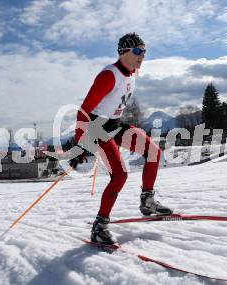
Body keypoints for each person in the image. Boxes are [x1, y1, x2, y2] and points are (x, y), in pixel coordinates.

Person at [71, 33, 173, 245]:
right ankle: (99, 226)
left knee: (154, 152)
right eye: (137, 51)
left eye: (144, 51)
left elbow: (114, 108)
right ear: (123, 52)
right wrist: (81, 143)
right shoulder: (109, 75)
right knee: (120, 176)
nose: (142, 56)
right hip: (97, 129)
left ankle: (148, 201)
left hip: (115, 126)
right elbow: (83, 112)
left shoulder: (131, 76)